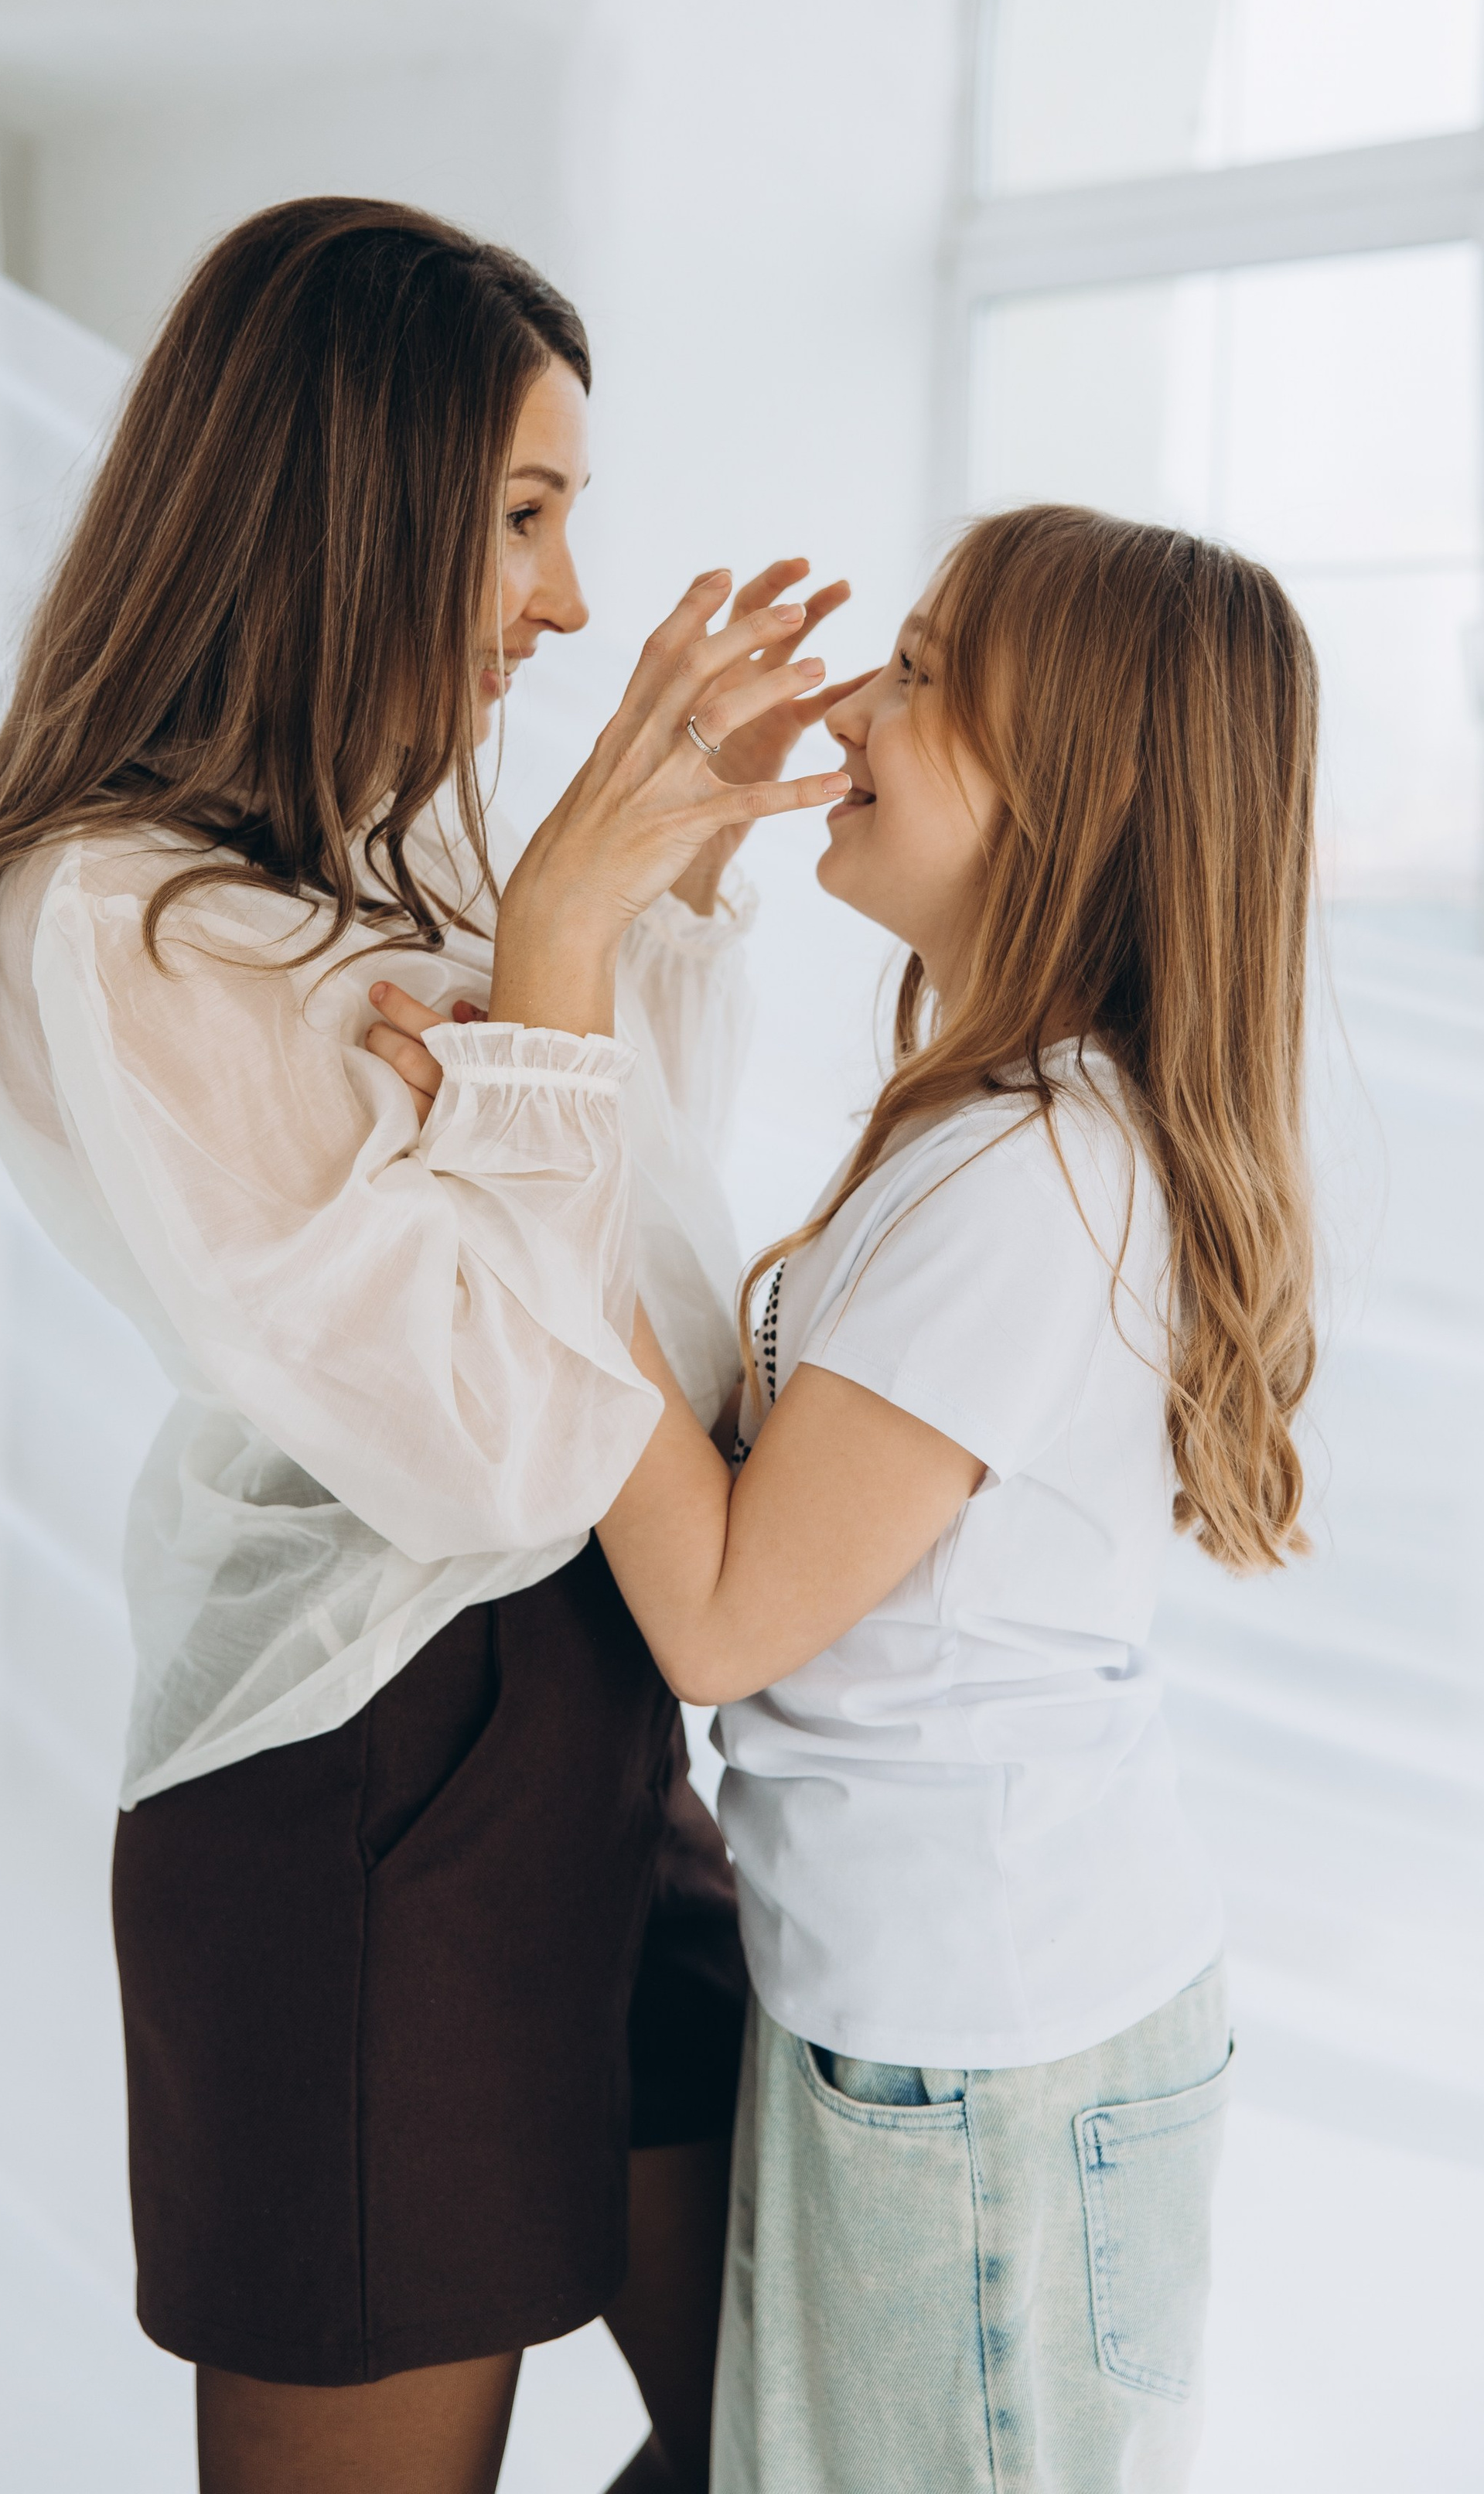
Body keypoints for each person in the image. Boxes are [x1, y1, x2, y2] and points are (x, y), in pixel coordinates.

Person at [0, 196, 853, 2494]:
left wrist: (645, 896)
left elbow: (638, 1273)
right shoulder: (107, 921)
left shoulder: (392, 860)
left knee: (806, 2436)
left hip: (602, 1730)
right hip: (365, 1784)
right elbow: (501, 1454)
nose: (569, 598)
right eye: (522, 514)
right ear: (351, 494)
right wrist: (566, 944)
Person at [372, 499, 1319, 2493]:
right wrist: (536, 1092)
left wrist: (547, 1072)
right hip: (935, 2013)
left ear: (1069, 784)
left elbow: (718, 1611)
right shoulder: (999, 1128)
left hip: (973, 2049)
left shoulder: (1033, 1178)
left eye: (921, 672)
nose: (857, 703)